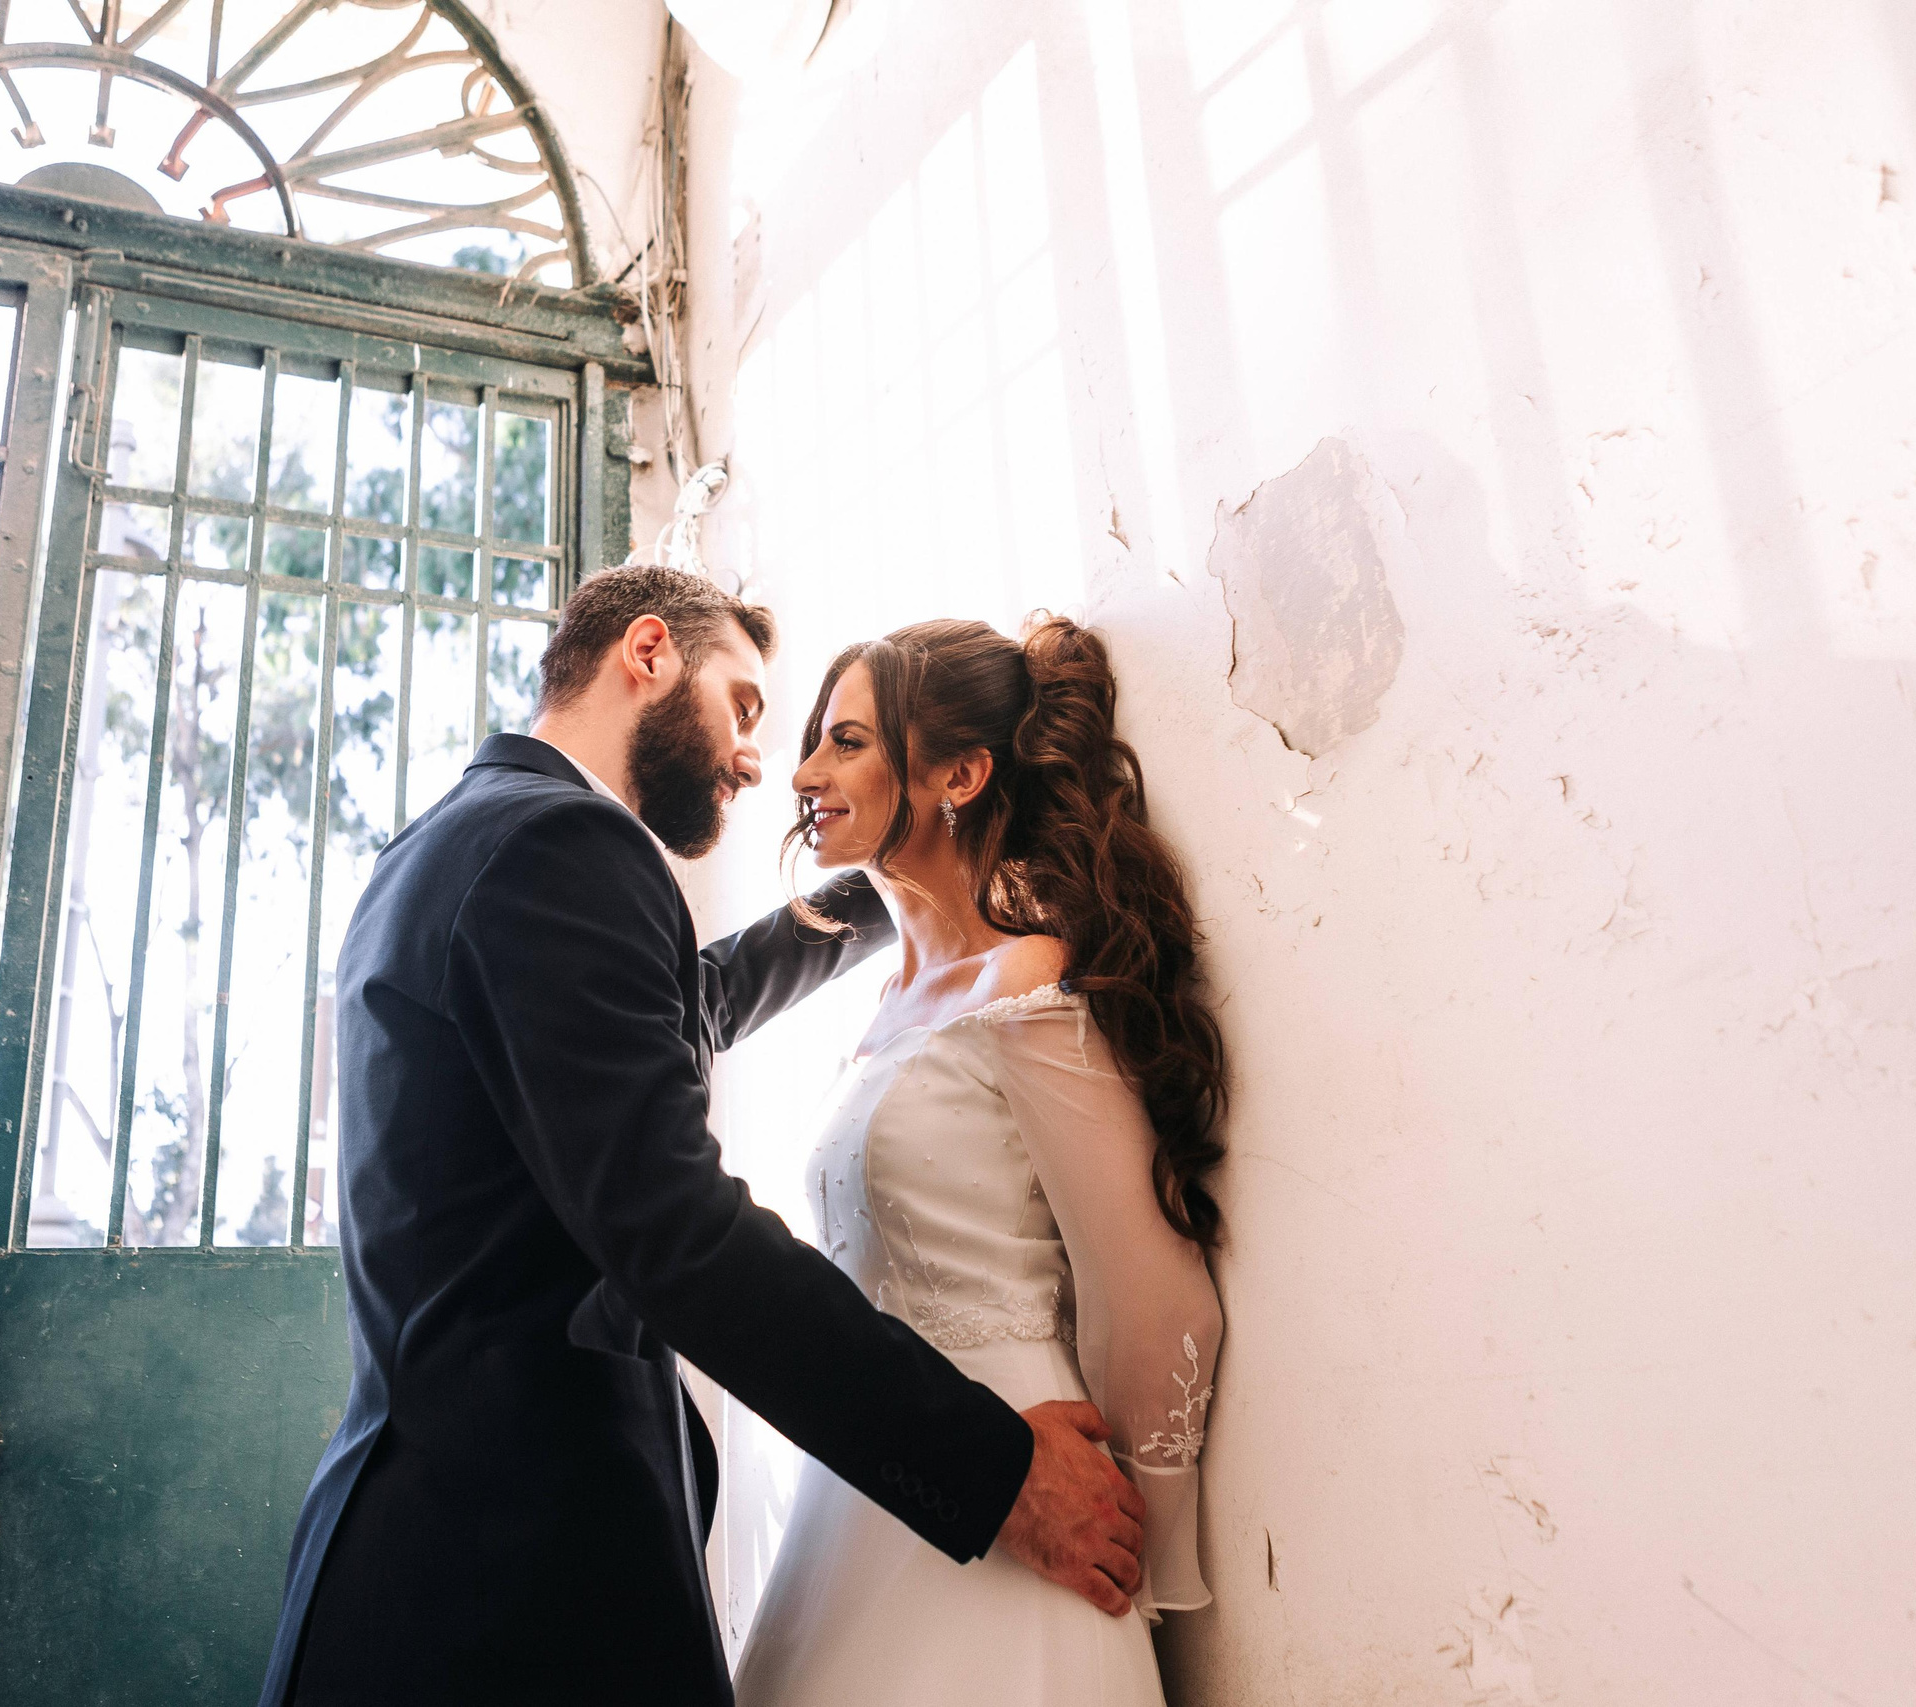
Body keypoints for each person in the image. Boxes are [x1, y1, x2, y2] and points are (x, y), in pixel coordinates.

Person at [259, 568, 1148, 1707]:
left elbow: (686, 1010)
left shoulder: (458, 843)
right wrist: (996, 1474)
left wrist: (906, 867)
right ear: (646, 653)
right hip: (504, 1600)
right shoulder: (565, 846)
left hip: (426, 1565)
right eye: (742, 707)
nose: (755, 761)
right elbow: (681, 1234)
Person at [734, 616, 1228, 1706]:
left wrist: (1136, 1533)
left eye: (846, 740)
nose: (806, 771)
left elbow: (1158, 1301)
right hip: (876, 1472)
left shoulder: (1029, 984)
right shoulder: (882, 1007)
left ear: (958, 772)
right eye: (815, 737)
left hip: (1025, 1485)